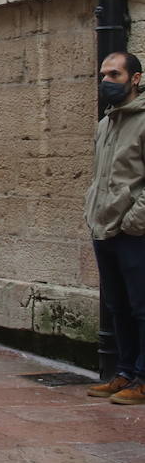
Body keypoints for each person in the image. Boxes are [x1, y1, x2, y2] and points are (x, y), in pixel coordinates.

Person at [84, 51, 145, 405]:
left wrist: (134, 222)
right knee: (117, 306)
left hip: (133, 232)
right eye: (103, 74)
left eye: (115, 74)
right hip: (103, 229)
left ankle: (142, 376)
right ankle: (124, 371)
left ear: (135, 78)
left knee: (141, 306)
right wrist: (91, 212)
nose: (106, 80)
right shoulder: (105, 124)